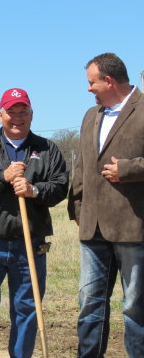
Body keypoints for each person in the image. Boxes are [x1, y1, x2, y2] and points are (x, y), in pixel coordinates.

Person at [0, 88, 68, 358]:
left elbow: (60, 187)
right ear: (0, 115)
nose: (17, 118)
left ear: (31, 114)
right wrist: (2, 176)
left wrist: (34, 191)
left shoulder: (46, 148)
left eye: (23, 112)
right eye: (11, 112)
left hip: (30, 244)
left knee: (27, 307)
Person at [67, 53, 144, 357]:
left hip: (133, 227)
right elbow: (83, 165)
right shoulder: (90, 115)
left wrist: (129, 170)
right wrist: (76, 205)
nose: (88, 89)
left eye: (92, 82)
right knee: (89, 306)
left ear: (109, 81)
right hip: (92, 229)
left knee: (135, 309)